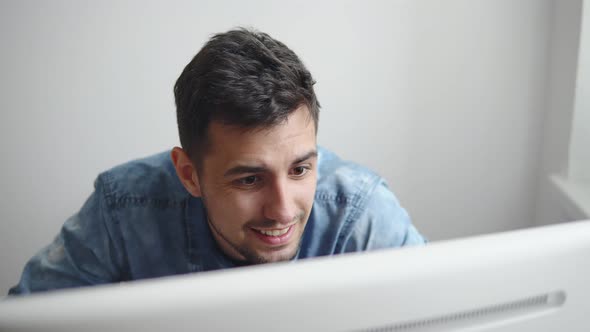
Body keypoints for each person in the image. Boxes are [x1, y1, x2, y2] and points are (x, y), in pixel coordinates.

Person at [9, 28, 425, 295]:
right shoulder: (124, 209)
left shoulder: (361, 212)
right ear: (189, 174)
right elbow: (31, 319)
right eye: (249, 179)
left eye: (300, 169)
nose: (282, 209)